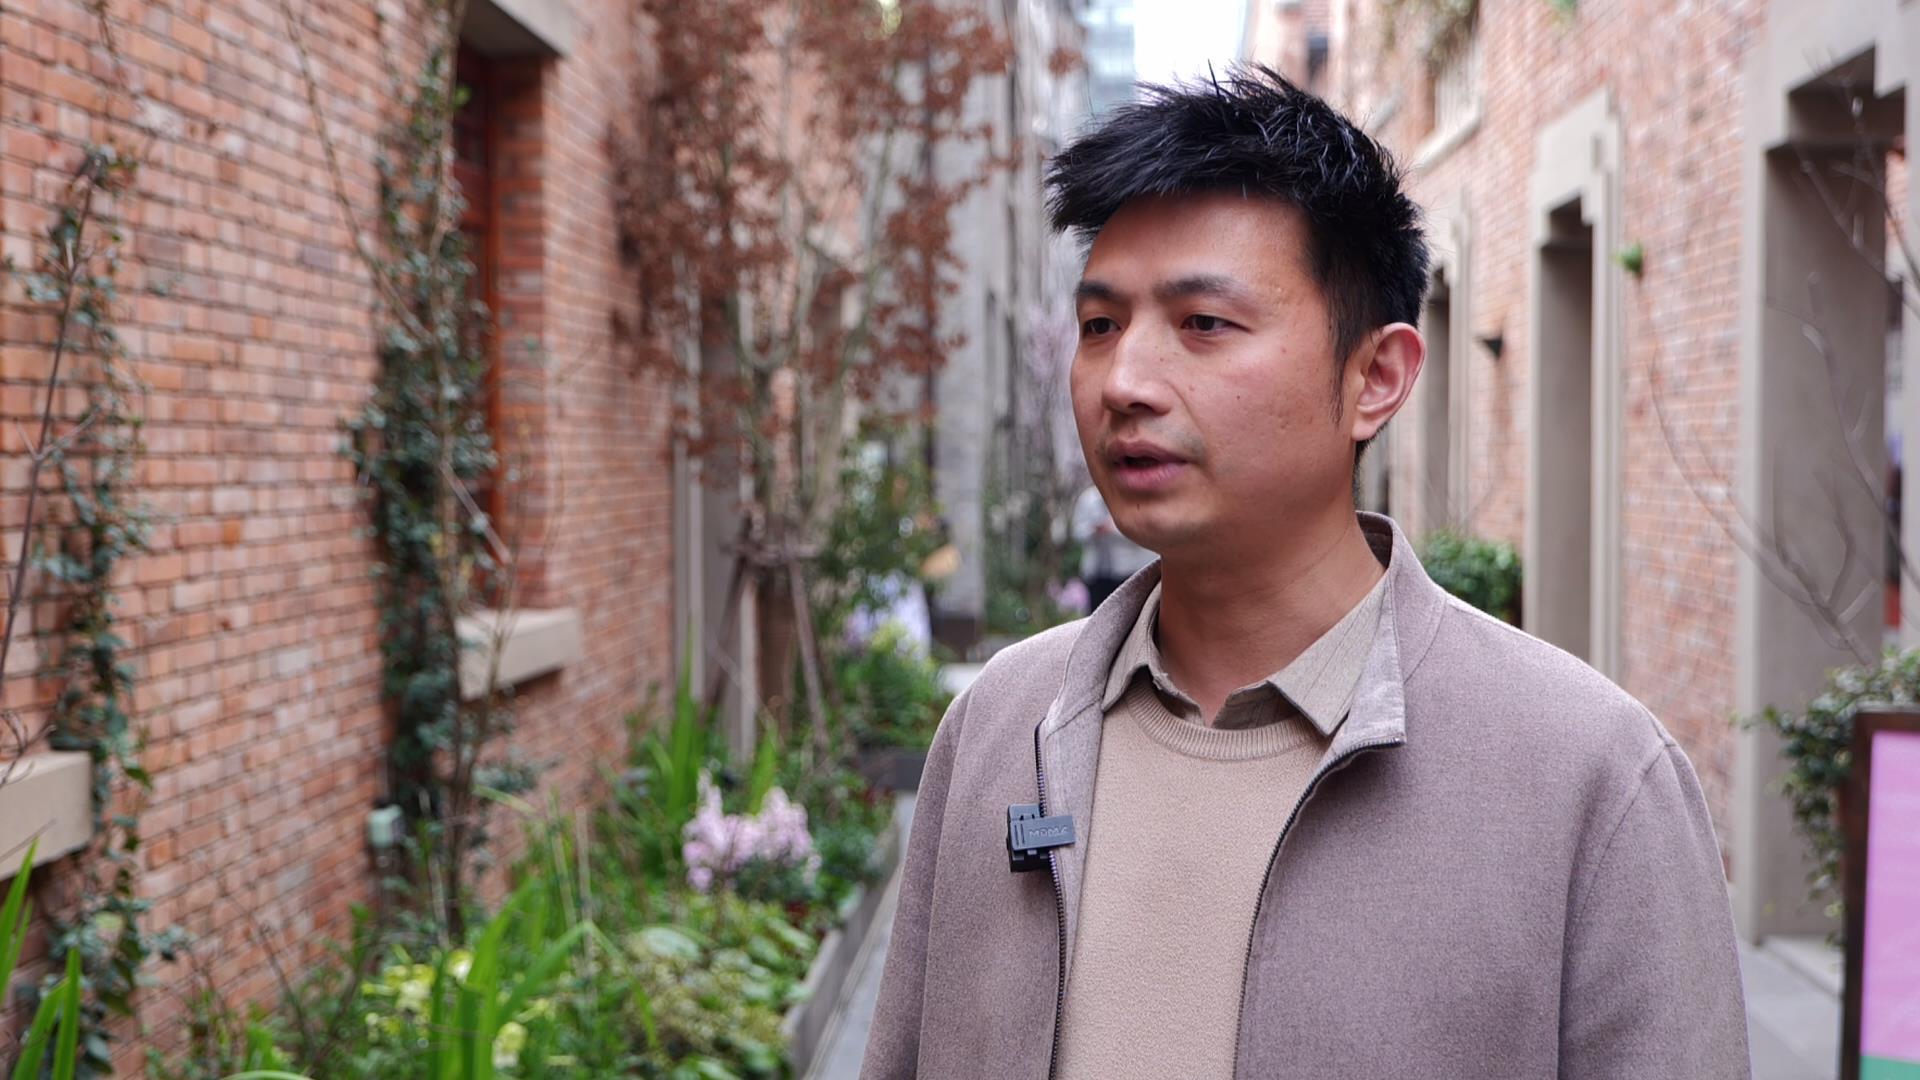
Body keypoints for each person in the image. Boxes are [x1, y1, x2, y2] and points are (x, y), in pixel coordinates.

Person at [860, 65, 1749, 1080]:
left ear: (1375, 377)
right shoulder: (1000, 728)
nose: (1125, 381)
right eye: (1101, 325)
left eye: (1204, 323)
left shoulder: (1590, 778)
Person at [1070, 482, 1156, 610]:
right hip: (1096, 572)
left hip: (1125, 572)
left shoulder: (1133, 498)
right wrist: (1093, 531)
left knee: (1124, 611)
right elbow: (1077, 533)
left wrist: (1113, 530)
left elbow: (1142, 534)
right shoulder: (1088, 499)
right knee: (1096, 612)